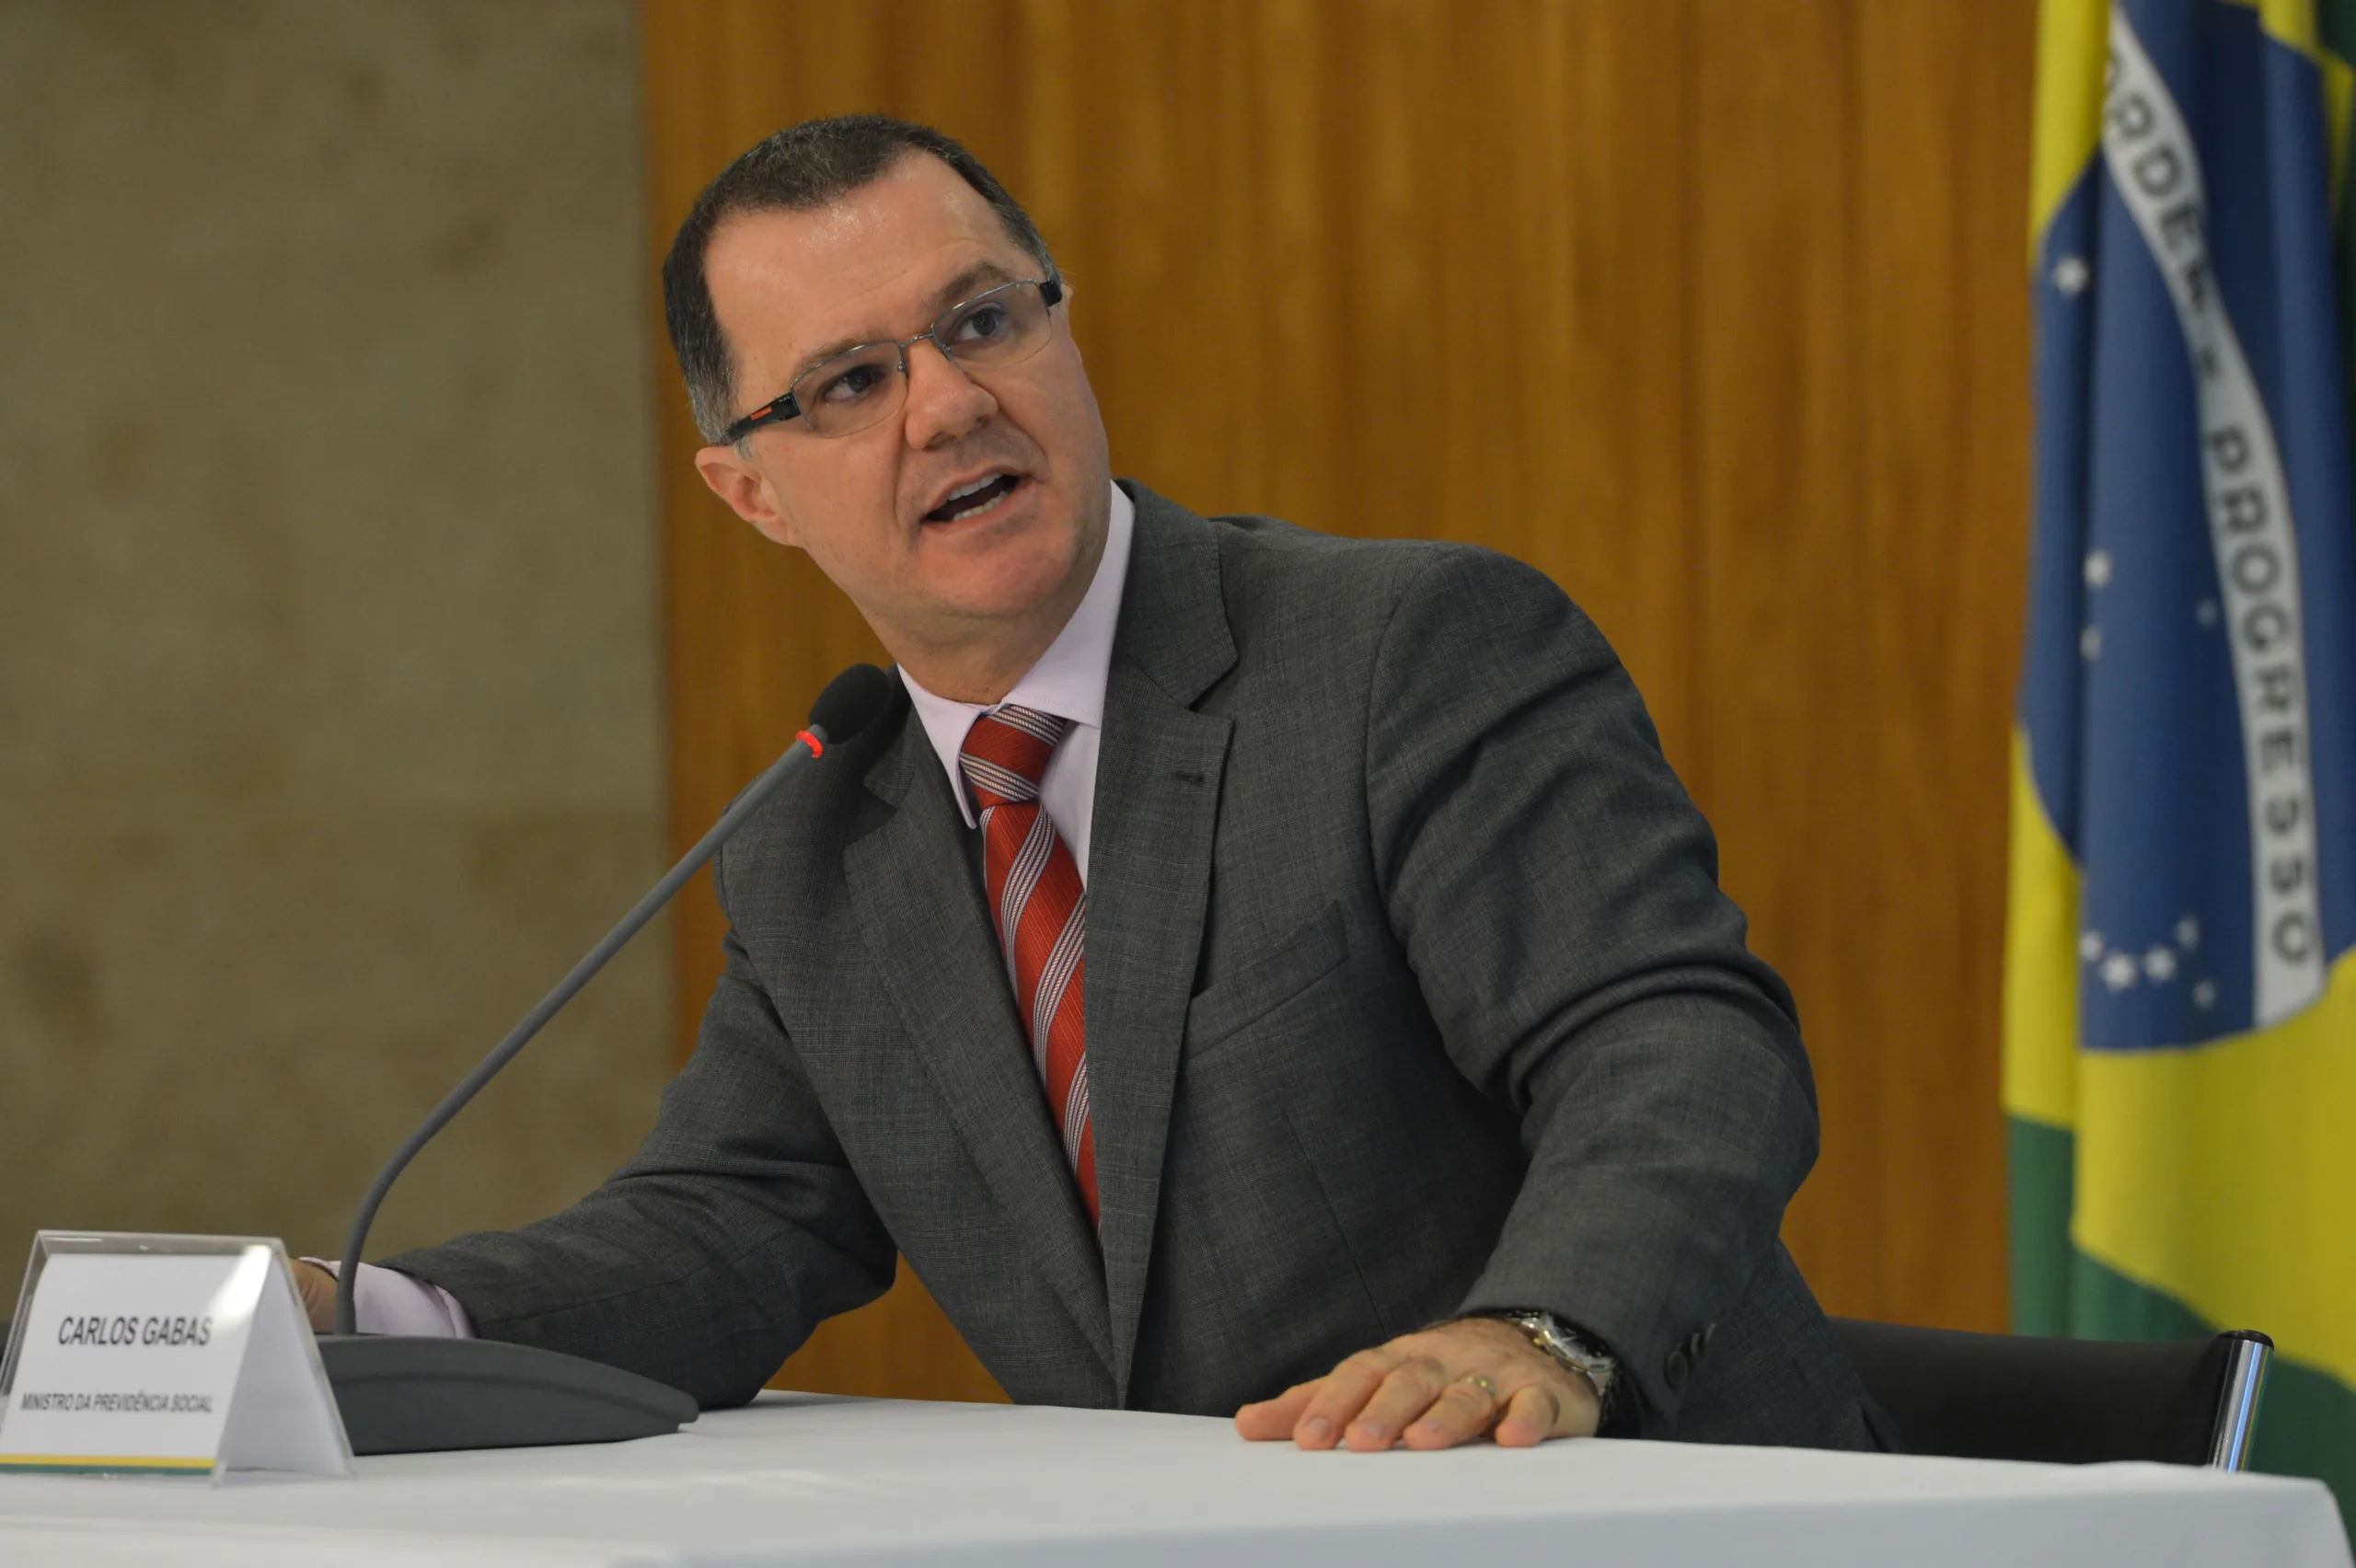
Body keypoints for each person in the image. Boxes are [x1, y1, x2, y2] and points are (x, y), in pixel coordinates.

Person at [295, 115, 1887, 1455]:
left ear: (1063, 325)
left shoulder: (1399, 652)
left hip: (1633, 1511)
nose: (950, 402)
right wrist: (365, 1320)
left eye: (984, 321)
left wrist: (1544, 1329)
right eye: (848, 382)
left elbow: (1668, 1038)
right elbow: (736, 1219)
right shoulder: (822, 833)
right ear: (750, 493)